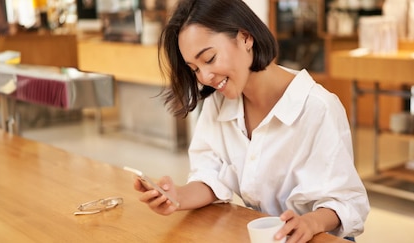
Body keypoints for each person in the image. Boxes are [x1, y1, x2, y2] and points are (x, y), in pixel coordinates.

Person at [131, 0, 370, 242]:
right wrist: (176, 197)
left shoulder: (318, 107)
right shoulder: (218, 102)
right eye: (194, 69)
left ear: (245, 38)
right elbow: (210, 175)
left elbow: (346, 201)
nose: (205, 77)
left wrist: (309, 222)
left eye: (210, 58)